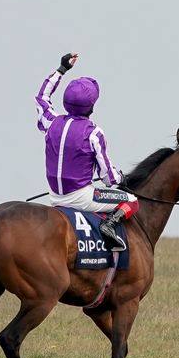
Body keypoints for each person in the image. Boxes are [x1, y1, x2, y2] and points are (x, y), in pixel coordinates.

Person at [34, 52, 139, 251]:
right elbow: (108, 178)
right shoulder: (94, 133)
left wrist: (61, 69)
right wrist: (122, 178)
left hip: (55, 196)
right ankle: (109, 226)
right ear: (92, 106)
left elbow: (41, 97)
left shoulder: (51, 122)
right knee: (132, 201)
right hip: (81, 197)